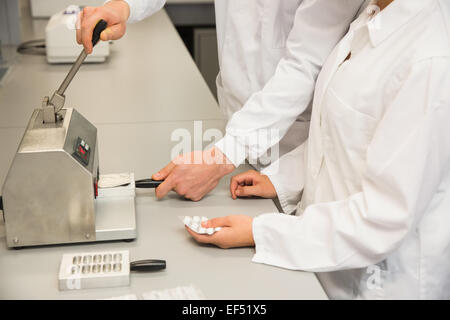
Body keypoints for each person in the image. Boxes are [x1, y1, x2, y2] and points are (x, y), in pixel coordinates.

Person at [187, 0, 450, 299]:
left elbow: (382, 219)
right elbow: (345, 133)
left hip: (376, 283)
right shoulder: (375, 15)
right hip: (327, 260)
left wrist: (259, 233)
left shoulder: (431, 59)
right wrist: (283, 179)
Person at [77, 0, 368, 201]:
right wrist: (124, 6)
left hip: (295, 140)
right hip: (238, 127)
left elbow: (305, 64)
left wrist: (222, 156)